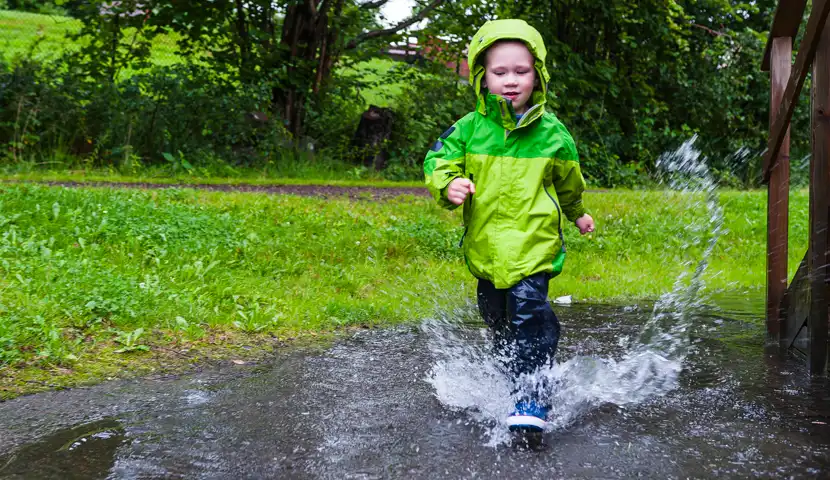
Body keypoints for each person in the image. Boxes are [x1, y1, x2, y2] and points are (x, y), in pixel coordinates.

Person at [423, 19, 595, 432]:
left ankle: (533, 397)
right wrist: (449, 184)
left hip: (533, 246)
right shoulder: (467, 129)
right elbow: (437, 160)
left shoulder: (553, 134)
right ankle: (514, 378)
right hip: (486, 250)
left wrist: (577, 212)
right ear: (482, 77)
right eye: (500, 72)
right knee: (498, 319)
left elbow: (569, 180)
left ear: (538, 74)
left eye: (522, 71)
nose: (512, 81)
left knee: (530, 315)